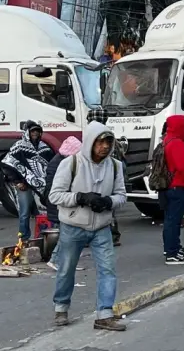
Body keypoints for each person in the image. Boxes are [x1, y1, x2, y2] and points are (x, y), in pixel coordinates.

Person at [49, 121, 127, 331]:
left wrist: (109, 202)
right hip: (73, 226)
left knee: (107, 270)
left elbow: (121, 195)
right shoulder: (71, 163)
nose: (104, 147)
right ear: (90, 142)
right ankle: (61, 308)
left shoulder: (115, 166)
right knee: (66, 269)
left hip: (101, 227)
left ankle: (104, 314)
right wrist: (80, 197)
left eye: (108, 142)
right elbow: (55, 195)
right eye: (100, 142)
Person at [1, 121, 52, 242]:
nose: (35, 133)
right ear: (27, 132)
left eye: (37, 131)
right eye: (33, 131)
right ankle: (23, 238)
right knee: (24, 213)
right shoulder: (18, 146)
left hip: (41, 187)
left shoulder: (45, 148)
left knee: (43, 213)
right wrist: (17, 181)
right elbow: (7, 165)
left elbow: (49, 166)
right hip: (24, 186)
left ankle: (42, 237)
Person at [161, 115, 184, 265]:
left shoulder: (167, 140)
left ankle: (172, 248)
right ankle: (172, 253)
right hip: (178, 186)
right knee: (174, 221)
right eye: (183, 124)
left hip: (169, 187)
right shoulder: (177, 143)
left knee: (170, 220)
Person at [43, 136, 82, 271]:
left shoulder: (61, 160)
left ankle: (65, 262)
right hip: (58, 204)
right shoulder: (62, 163)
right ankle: (55, 259)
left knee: (68, 234)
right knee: (66, 234)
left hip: (59, 203)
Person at [87, 108, 124, 246]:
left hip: (99, 178)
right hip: (109, 178)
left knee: (104, 206)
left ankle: (110, 235)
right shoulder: (110, 137)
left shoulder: (91, 138)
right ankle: (112, 234)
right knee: (109, 207)